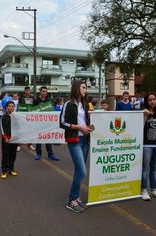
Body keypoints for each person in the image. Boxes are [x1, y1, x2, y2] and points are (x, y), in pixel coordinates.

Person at [60, 80, 93, 212]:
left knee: (79, 171)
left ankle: (76, 197)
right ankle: (71, 200)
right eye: (83, 87)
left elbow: (86, 121)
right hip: (74, 141)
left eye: (86, 88)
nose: (86, 90)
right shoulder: (69, 104)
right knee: (83, 171)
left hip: (85, 140)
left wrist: (90, 124)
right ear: (76, 88)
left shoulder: (85, 104)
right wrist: (80, 127)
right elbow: (62, 123)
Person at [141, 93, 156, 201]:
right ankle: (144, 190)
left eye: (154, 99)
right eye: (150, 100)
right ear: (146, 101)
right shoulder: (143, 112)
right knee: (145, 169)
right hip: (146, 145)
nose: (152, 101)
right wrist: (145, 115)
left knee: (154, 169)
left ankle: (154, 190)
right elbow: (140, 127)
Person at [33, 86, 60, 161]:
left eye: (45, 91)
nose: (44, 93)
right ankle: (38, 153)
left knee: (48, 138)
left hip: (47, 123)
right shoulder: (35, 101)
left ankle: (50, 154)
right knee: (39, 139)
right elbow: (33, 112)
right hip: (38, 123)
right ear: (40, 92)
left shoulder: (49, 101)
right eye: (43, 91)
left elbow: (51, 112)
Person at [0, 101, 18, 179]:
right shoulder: (4, 117)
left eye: (12, 106)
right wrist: (5, 138)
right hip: (6, 139)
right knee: (5, 155)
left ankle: (11, 169)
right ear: (6, 107)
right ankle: (4, 170)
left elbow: (19, 127)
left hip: (14, 139)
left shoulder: (17, 117)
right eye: (9, 106)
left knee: (13, 154)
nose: (11, 108)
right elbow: (2, 128)